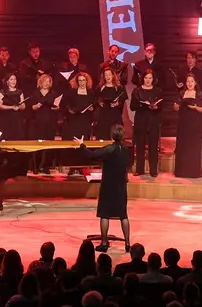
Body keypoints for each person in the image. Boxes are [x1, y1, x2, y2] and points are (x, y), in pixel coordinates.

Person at [76, 124, 131, 253]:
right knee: (123, 215)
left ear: (112, 135)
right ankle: (128, 244)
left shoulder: (109, 149)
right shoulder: (125, 150)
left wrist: (82, 145)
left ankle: (104, 243)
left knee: (104, 214)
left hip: (108, 186)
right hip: (121, 186)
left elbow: (92, 155)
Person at [173, 73, 202, 178]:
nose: (190, 83)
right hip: (183, 123)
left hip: (195, 124)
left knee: (194, 147)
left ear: (195, 82)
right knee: (183, 146)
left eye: (192, 81)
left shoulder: (199, 94)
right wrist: (176, 106)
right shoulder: (182, 93)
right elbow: (176, 108)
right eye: (188, 81)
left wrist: (196, 108)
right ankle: (181, 171)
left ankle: (193, 172)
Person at [130, 69, 163, 176]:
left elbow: (162, 107)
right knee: (140, 146)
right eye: (146, 78)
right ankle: (140, 169)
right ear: (142, 79)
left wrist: (156, 107)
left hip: (153, 120)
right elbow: (132, 107)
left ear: (153, 79)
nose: (148, 80)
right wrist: (141, 105)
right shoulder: (137, 91)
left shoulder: (158, 91)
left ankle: (153, 170)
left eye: (150, 78)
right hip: (141, 120)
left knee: (153, 146)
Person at [63, 71, 96, 151]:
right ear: (77, 82)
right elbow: (66, 104)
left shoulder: (91, 92)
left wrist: (92, 109)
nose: (82, 82)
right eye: (80, 80)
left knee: (84, 141)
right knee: (73, 141)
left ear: (87, 81)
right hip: (74, 120)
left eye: (83, 80)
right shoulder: (72, 92)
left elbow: (94, 105)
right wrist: (70, 110)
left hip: (85, 120)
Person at [95, 66, 126, 140]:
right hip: (103, 115)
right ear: (103, 77)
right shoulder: (99, 88)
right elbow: (95, 100)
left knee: (115, 136)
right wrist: (99, 103)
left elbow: (122, 100)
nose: (108, 76)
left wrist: (117, 103)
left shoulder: (119, 88)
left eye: (109, 74)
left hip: (115, 115)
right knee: (103, 136)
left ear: (113, 75)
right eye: (106, 75)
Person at [0, 72, 28, 140]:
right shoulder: (2, 92)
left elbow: (23, 106)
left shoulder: (19, 92)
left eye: (15, 79)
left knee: (17, 136)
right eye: (11, 79)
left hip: (17, 118)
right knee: (7, 136)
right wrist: (12, 107)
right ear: (7, 82)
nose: (14, 81)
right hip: (6, 117)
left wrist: (19, 107)